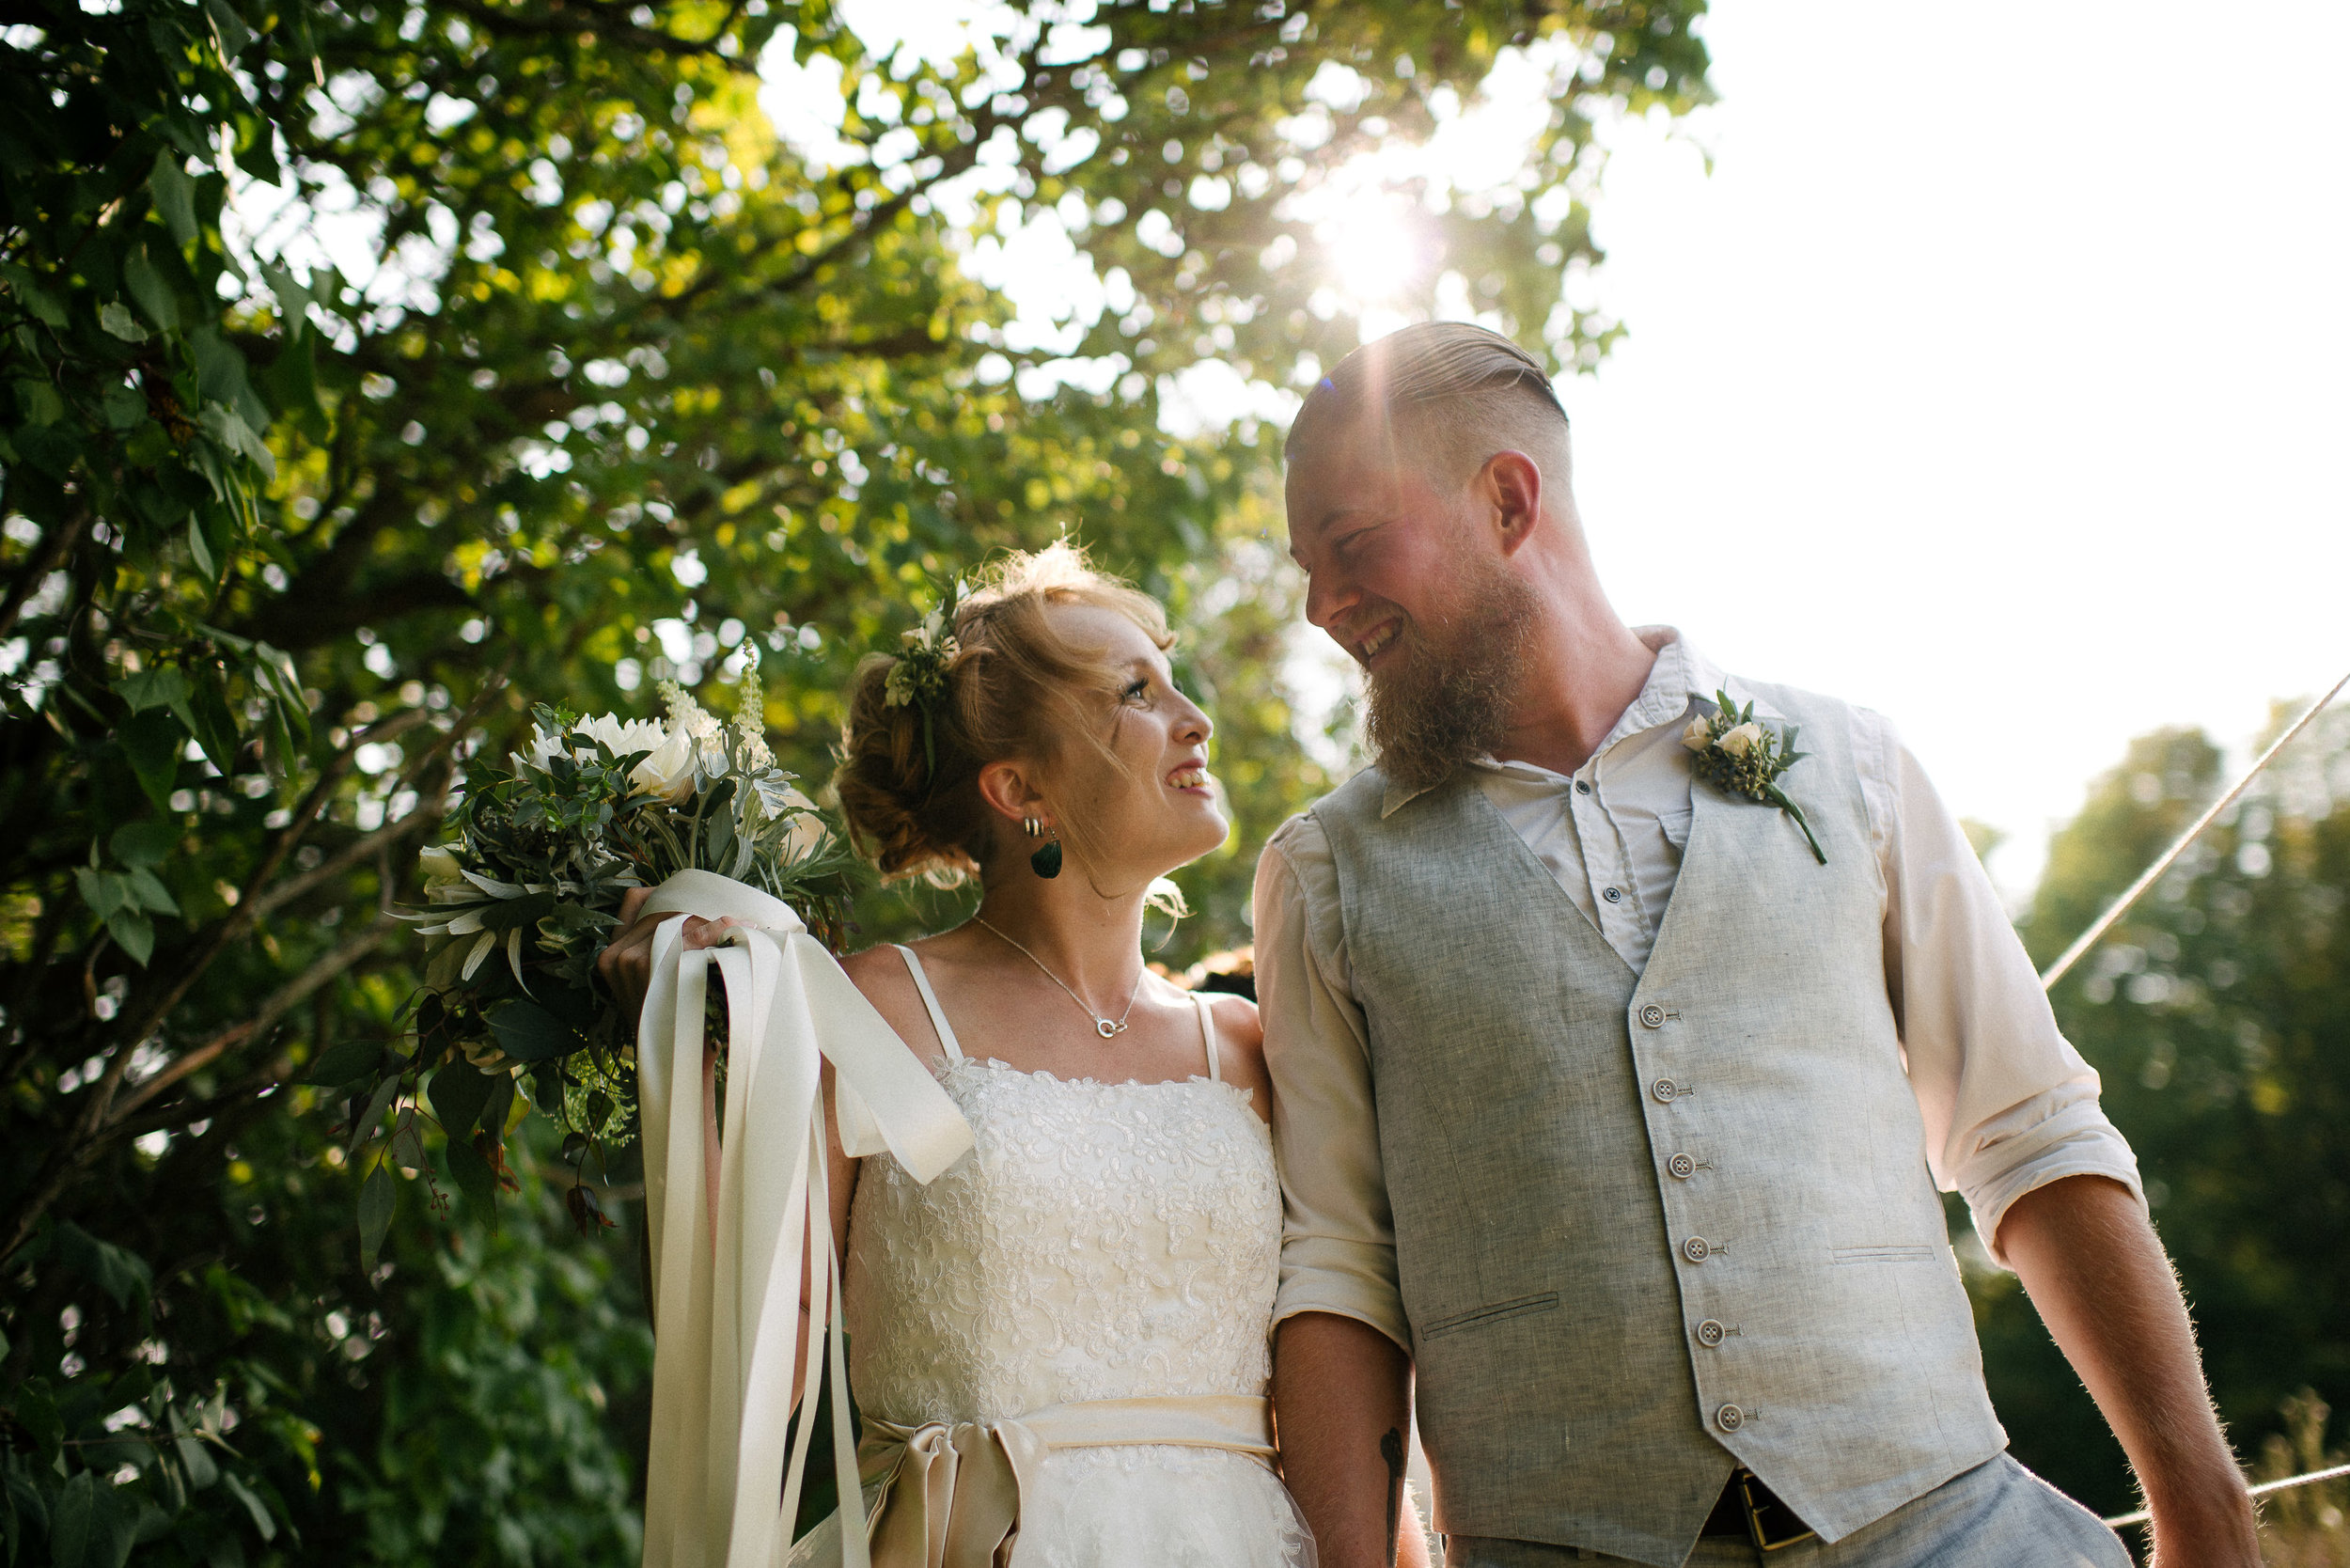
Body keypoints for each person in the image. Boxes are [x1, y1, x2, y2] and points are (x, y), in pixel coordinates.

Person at [1254, 322, 2262, 1568]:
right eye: (1307, 568)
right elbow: (1343, 1274)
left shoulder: (1850, 763)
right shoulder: (1323, 875)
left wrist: (2202, 1501)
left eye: (1349, 549)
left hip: (1958, 1532)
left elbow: (2030, 1134)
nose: (1319, 606)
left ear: (1509, 500)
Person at [601, 543, 1315, 1568]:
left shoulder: (1244, 1044)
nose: (1194, 718)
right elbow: (759, 1360)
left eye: (1173, 683)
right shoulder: (863, 1009)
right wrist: (694, 1062)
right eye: (1135, 694)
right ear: (1021, 786)